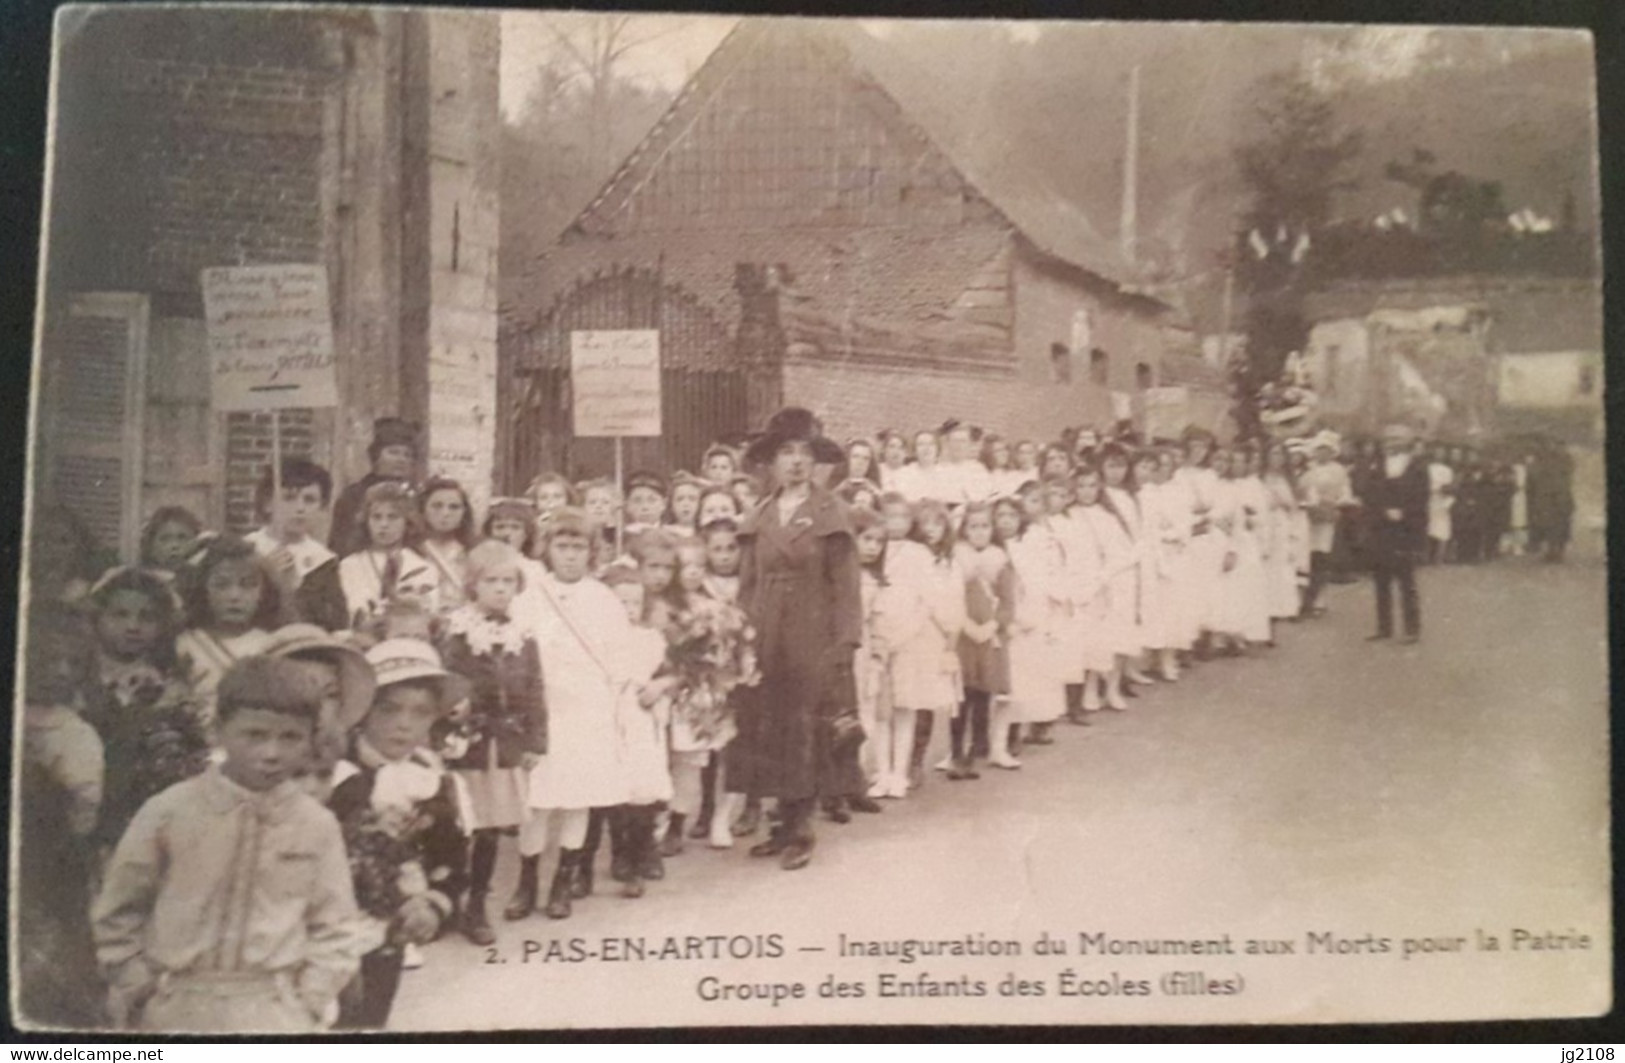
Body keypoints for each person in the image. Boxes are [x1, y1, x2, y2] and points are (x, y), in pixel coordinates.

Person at [91, 656, 371, 1032]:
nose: (271, 752)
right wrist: (139, 985)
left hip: (275, 1006)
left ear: (310, 740)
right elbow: (118, 910)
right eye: (254, 734)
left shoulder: (316, 825)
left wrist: (310, 998)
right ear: (219, 730)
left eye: (290, 737)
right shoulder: (170, 811)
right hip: (176, 1002)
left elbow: (335, 926)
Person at [727, 407, 862, 870]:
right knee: (769, 727)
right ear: (771, 462)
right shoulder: (759, 514)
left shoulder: (830, 512)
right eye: (786, 452)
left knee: (806, 728)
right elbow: (746, 584)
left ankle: (802, 826)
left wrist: (845, 643)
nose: (796, 462)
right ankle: (780, 824)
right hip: (765, 634)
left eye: (804, 453)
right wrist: (739, 635)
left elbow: (846, 587)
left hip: (812, 634)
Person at [328, 640, 469, 1030]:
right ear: (362, 709)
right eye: (389, 708)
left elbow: (451, 857)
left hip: (386, 934)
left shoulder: (431, 778)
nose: (404, 723)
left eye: (421, 712)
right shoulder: (332, 776)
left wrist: (432, 904)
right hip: (323, 934)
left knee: (370, 1020)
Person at [515, 508, 637, 918]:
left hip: (587, 711)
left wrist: (614, 701)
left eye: (578, 547)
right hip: (543, 710)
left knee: (577, 799)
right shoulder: (529, 598)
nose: (569, 555)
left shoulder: (603, 600)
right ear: (546, 549)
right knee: (537, 800)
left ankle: (562, 881)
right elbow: (517, 652)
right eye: (561, 546)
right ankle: (526, 879)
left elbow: (621, 658)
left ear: (592, 552)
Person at [437, 541, 546, 941]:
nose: (500, 589)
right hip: (468, 743)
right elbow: (445, 683)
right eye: (491, 581)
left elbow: (535, 686)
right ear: (473, 585)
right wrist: (452, 717)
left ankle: (477, 905)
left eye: (507, 581)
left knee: (489, 828)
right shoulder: (458, 631)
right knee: (459, 824)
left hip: (506, 742)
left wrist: (537, 739)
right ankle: (448, 898)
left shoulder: (523, 634)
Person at [76, 566, 210, 850]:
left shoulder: (170, 683)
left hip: (150, 805)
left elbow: (194, 747)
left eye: (146, 617)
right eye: (120, 614)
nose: (133, 626)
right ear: (97, 617)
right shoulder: (81, 678)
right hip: (94, 802)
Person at [18, 603, 107, 1028]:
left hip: (51, 857)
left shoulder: (75, 734)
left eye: (73, 663)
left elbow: (83, 813)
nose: (62, 671)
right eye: (49, 660)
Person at [176, 535, 285, 733]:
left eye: (248, 585)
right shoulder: (185, 644)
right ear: (203, 589)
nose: (234, 596)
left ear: (264, 592)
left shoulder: (274, 645)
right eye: (222, 585)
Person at [951, 501, 1012, 779]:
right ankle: (955, 752)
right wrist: (963, 624)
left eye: (985, 526)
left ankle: (978, 746)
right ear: (964, 530)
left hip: (988, 636)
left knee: (982, 693)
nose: (979, 532)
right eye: (973, 527)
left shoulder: (1000, 559)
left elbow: (1008, 601)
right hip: (962, 635)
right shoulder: (956, 558)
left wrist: (993, 625)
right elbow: (949, 595)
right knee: (960, 694)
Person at [247, 458, 347, 631]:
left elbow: (335, 623)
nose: (300, 508)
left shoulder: (323, 561)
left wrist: (294, 588)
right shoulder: (247, 549)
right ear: (267, 504)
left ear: (321, 507)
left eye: (309, 500)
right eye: (288, 498)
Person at [338, 482, 438, 635]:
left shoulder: (422, 567)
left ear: (407, 522)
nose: (383, 524)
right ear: (366, 521)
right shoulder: (350, 566)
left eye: (393, 517)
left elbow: (427, 615)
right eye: (376, 517)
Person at [1361, 423, 1430, 643]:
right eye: (1388, 440)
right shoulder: (1377, 466)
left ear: (1407, 443)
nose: (1392, 444)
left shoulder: (1418, 467)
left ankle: (1412, 629)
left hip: (1405, 530)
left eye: (1397, 440)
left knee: (1406, 580)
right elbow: (1369, 493)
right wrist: (1383, 511)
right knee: (1381, 580)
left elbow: (1422, 497)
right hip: (1381, 528)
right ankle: (1384, 628)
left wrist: (1404, 513)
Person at [330, 418, 420, 557]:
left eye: (407, 455)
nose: (401, 460)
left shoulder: (416, 497)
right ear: (376, 456)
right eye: (393, 452)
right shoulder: (353, 495)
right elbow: (339, 544)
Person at [1298, 431, 1354, 618]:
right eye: (1319, 449)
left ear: (1332, 452)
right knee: (1308, 559)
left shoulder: (1338, 471)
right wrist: (1308, 505)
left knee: (1321, 558)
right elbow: (1302, 492)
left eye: (1326, 450)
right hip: (1309, 518)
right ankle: (1306, 599)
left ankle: (1316, 600)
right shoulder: (1308, 471)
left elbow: (1345, 493)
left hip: (1328, 518)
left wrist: (1335, 505)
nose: (1322, 453)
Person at [416, 477, 477, 614]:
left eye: (454, 507)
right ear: (423, 510)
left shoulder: (474, 552)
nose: (445, 513)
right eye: (437, 506)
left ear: (464, 513)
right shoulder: (411, 551)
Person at [139, 506, 204, 581]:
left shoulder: (208, 582)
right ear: (150, 545)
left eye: (182, 538)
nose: (174, 546)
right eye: (165, 539)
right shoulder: (139, 583)